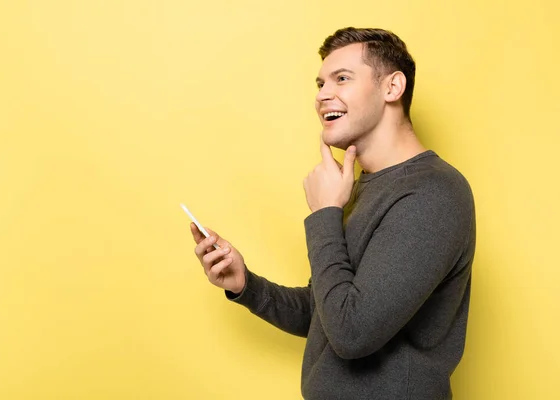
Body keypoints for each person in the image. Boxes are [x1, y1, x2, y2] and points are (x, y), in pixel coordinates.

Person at [189, 27, 476, 400]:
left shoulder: (433, 193)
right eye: (320, 83)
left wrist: (325, 213)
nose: (323, 95)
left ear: (392, 88)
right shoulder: (360, 189)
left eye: (341, 79)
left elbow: (353, 333)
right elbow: (326, 313)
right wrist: (246, 285)